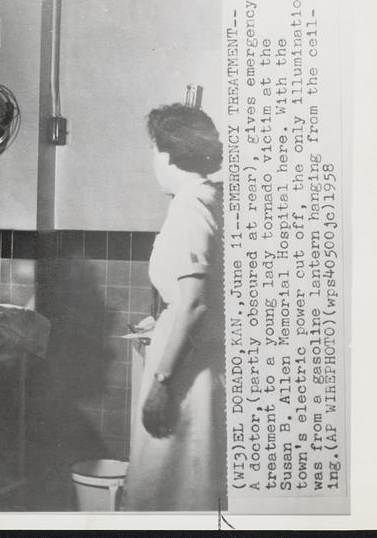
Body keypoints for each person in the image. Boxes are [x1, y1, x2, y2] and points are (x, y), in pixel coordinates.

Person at [121, 103, 226, 512]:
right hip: (198, 360)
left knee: (170, 486)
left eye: (153, 148)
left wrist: (161, 384)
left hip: (185, 375)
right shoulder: (210, 198)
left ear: (167, 154)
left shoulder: (190, 206)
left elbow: (196, 305)